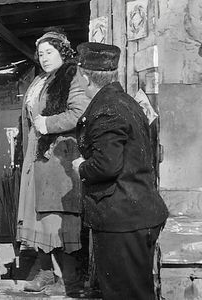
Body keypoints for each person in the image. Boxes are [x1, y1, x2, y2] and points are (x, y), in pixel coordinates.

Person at [73, 42, 169, 300]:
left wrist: (81, 167)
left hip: (122, 220)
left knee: (125, 294)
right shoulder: (125, 101)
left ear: (84, 76)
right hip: (137, 215)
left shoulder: (106, 109)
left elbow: (107, 165)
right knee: (138, 292)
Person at [17, 28, 90, 294]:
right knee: (40, 214)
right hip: (37, 155)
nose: (45, 57)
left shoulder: (72, 76)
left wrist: (48, 123)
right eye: (41, 53)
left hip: (61, 156)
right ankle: (47, 271)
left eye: (50, 52)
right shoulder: (41, 80)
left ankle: (71, 279)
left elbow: (79, 112)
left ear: (62, 51)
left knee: (60, 216)